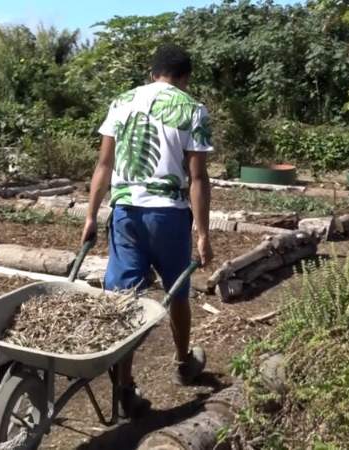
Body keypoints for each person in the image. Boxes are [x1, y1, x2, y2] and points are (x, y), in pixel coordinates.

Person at [80, 44, 214, 418]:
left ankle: (124, 386)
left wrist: (91, 215)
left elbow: (104, 165)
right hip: (168, 216)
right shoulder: (192, 108)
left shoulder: (122, 101)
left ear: (153, 72)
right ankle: (184, 362)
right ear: (184, 77)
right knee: (178, 293)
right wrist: (202, 233)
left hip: (124, 214)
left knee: (124, 299)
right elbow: (197, 177)